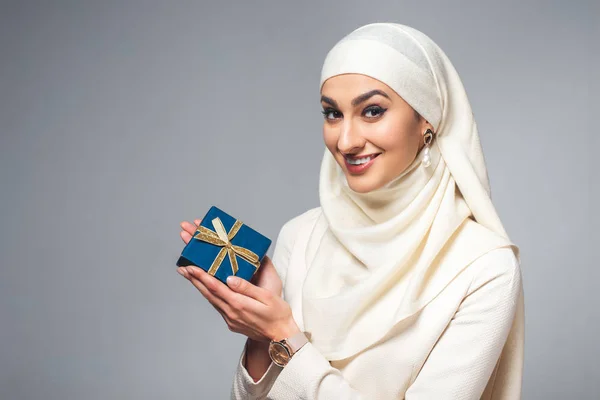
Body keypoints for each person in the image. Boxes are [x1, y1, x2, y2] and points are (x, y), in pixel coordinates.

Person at [177, 22, 524, 400]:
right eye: (332, 114)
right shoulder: (301, 236)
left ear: (427, 118)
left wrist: (284, 335)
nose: (346, 141)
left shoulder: (484, 268)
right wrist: (260, 334)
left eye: (372, 111)